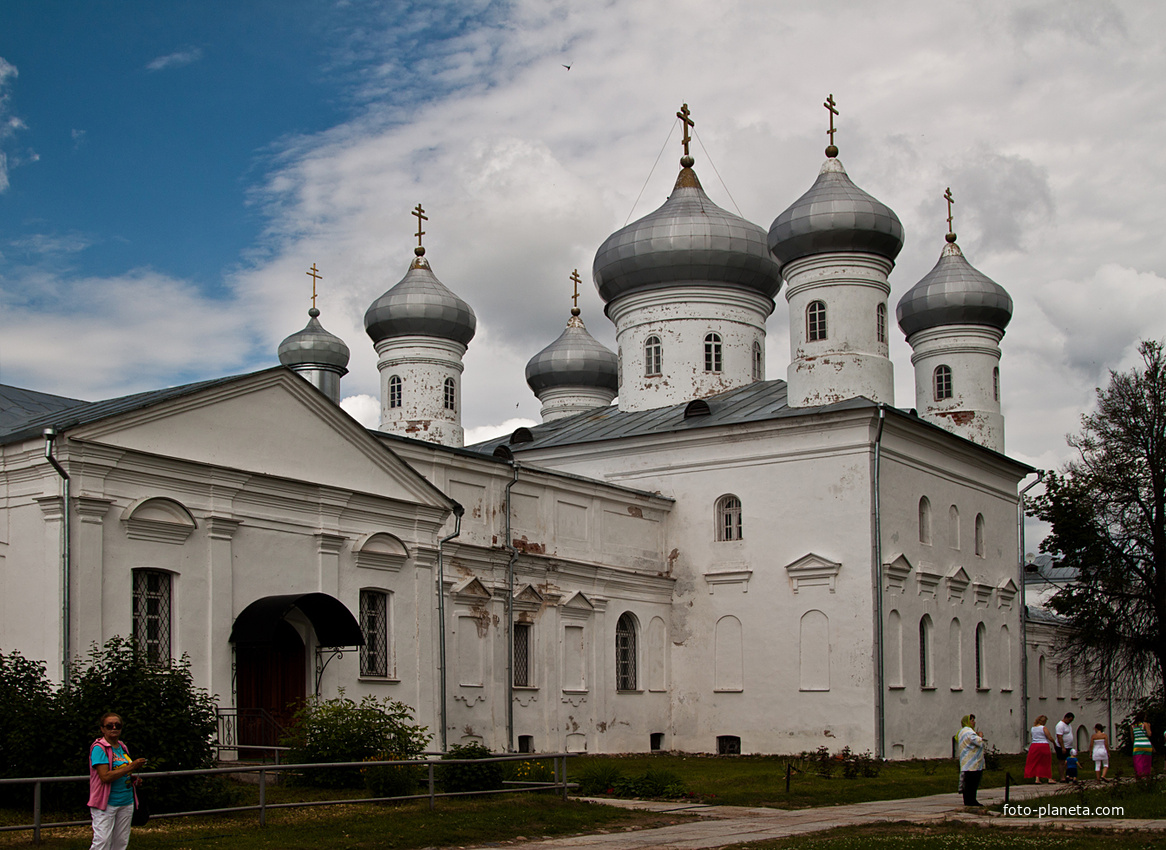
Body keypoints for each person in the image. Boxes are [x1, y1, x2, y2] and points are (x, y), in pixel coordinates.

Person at [88, 713, 146, 850]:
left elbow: (122, 771)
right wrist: (131, 767)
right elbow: (105, 777)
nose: (114, 728)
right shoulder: (99, 748)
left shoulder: (122, 747)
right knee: (102, 842)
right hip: (106, 803)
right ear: (102, 729)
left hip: (126, 801)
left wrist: (132, 778)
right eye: (109, 726)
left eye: (117, 725)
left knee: (120, 842)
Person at [957, 714, 986, 806]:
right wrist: (980, 736)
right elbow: (979, 742)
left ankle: (968, 800)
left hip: (965, 761)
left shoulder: (961, 732)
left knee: (967, 783)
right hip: (972, 762)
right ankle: (972, 801)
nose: (974, 722)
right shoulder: (969, 732)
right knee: (972, 783)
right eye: (972, 720)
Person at [1024, 715, 1055, 783]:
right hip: (1043, 745)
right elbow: (1049, 737)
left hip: (1034, 745)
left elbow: (1032, 737)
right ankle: (1049, 778)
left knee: (1036, 762)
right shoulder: (1043, 728)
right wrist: (1054, 742)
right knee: (1046, 762)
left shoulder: (1033, 728)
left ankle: (1037, 778)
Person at [1131, 711, 1153, 778]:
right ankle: (1146, 774)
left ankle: (1139, 774)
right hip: (1146, 744)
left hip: (1137, 744)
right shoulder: (1145, 724)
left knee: (1138, 760)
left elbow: (1132, 738)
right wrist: (1149, 727)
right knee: (1147, 760)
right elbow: (1149, 734)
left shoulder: (1132, 726)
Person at [1055, 712, 1074, 781]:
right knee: (1062, 762)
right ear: (1065, 718)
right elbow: (1059, 737)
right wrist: (1063, 747)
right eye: (1069, 720)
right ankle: (1062, 777)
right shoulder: (1060, 725)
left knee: (1069, 761)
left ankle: (1068, 775)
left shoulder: (1068, 725)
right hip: (1062, 747)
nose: (1070, 722)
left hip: (1069, 746)